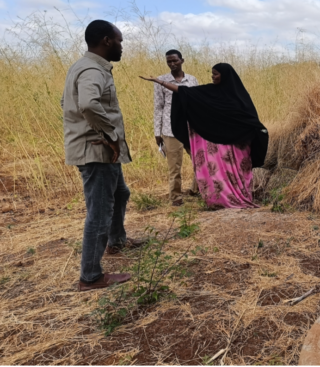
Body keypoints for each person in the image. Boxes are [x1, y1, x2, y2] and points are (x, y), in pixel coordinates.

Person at [62, 20, 146, 292]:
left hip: (100, 150)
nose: (122, 46)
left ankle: (117, 240)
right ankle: (90, 276)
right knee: (99, 212)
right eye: (119, 41)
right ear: (107, 41)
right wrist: (109, 135)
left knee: (120, 194)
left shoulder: (82, 66)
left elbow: (68, 103)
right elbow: (87, 104)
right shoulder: (91, 69)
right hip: (97, 151)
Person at [140, 63, 269, 209]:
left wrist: (257, 132)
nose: (212, 77)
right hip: (220, 144)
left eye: (216, 74)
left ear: (225, 75)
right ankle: (220, 201)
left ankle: (241, 198)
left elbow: (248, 117)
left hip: (237, 145)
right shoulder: (209, 91)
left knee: (239, 172)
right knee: (218, 173)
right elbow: (185, 92)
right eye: (212, 74)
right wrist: (160, 82)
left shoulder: (239, 95)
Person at [154, 49, 199, 206]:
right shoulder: (161, 81)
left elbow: (197, 104)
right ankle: (176, 197)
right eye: (169, 62)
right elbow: (158, 107)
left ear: (182, 60)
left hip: (190, 129)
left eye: (175, 61)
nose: (172, 64)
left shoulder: (192, 80)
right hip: (170, 129)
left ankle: (196, 189)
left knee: (200, 161)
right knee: (174, 167)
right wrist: (157, 132)